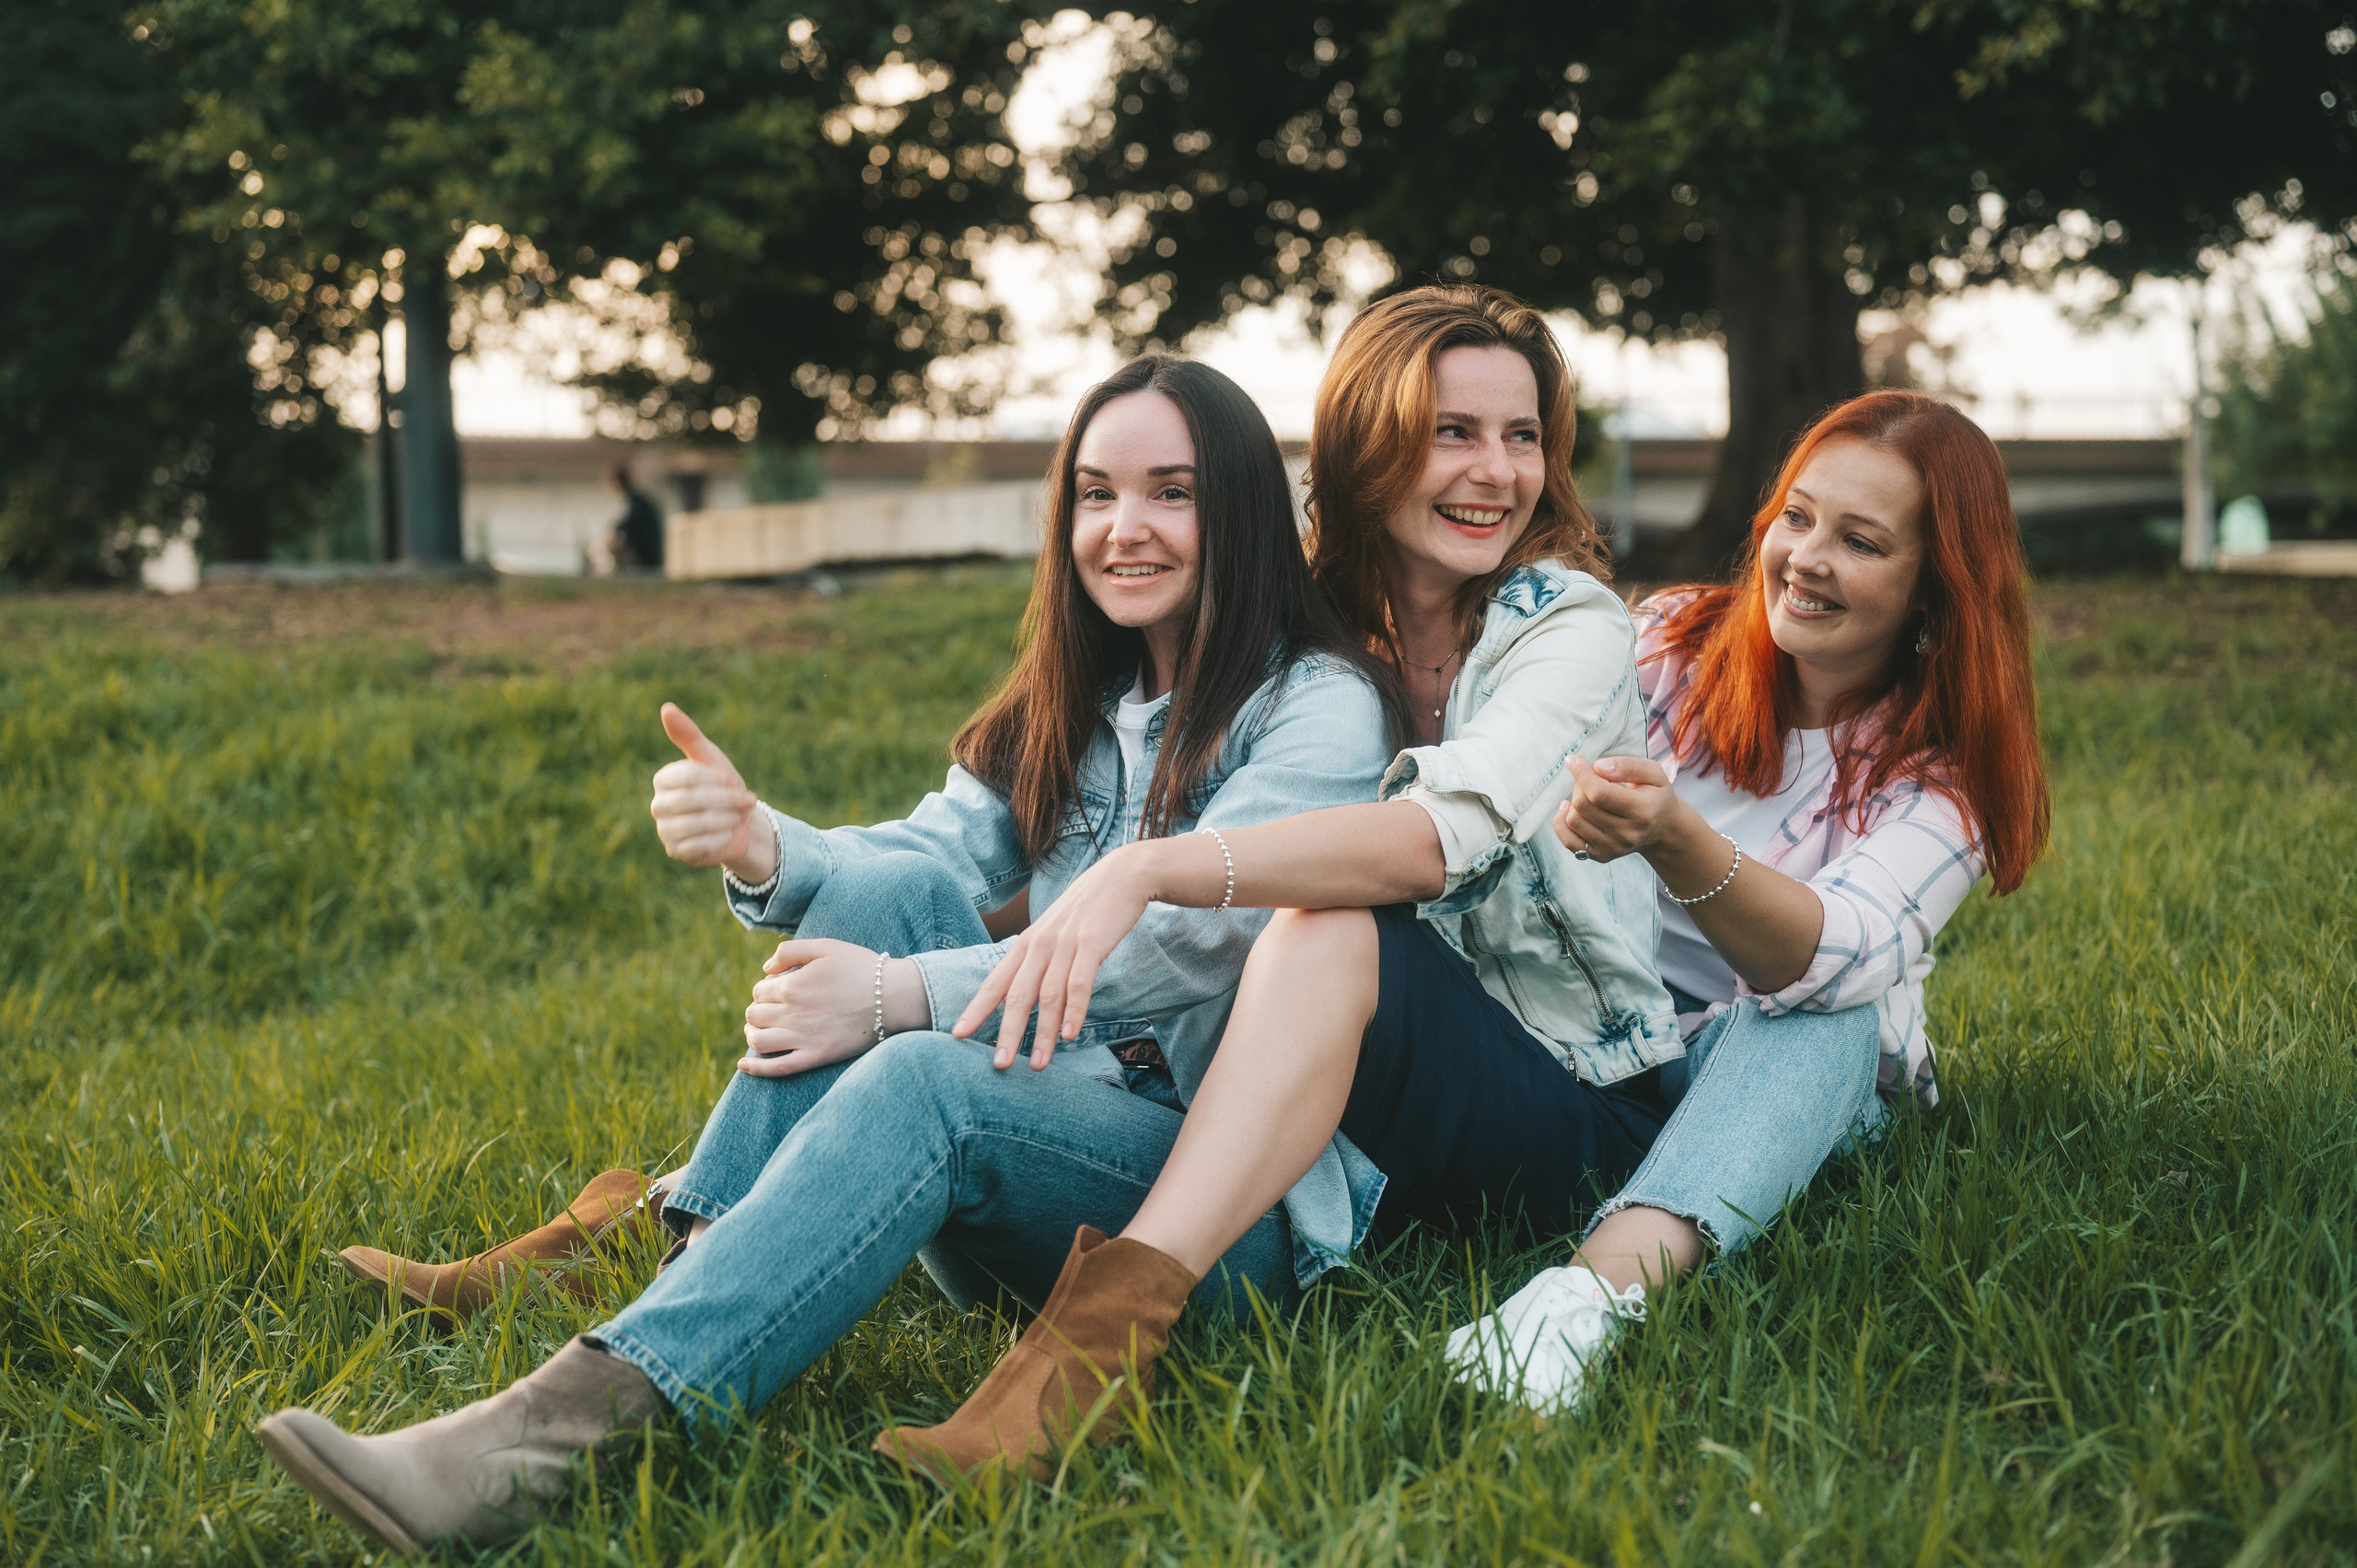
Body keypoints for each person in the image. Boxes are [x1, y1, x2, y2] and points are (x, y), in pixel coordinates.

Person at [253, 353, 1404, 1554]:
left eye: (1172, 492)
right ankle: (688, 1258)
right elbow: (925, 853)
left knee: (920, 1069)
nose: (1126, 528)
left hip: (1215, 1229)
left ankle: (553, 1434)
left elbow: (1187, 942)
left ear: (1241, 509)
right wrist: (764, 845)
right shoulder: (1078, 694)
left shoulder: (1316, 706)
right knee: (890, 884)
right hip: (1045, 1164)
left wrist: (902, 997)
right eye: (1095, 493)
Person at [911, 383, 2049, 1472]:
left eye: (1861, 541)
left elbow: (1830, 953)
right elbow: (1470, 787)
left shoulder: (1938, 788)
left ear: (1934, 587)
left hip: (1753, 1093)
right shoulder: (1660, 646)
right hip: (1565, 1063)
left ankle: (1575, 1308)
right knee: (1326, 923)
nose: (1806, 557)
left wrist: (1676, 840)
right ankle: (1114, 1323)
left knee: (1827, 1018)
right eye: (1796, 517)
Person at [885, 283, 1679, 1482]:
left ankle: (1096, 1348)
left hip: (1569, 1103)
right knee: (909, 908)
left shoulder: (1565, 625)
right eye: (1453, 431)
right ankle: (694, 1210)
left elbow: (1430, 841)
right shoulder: (1313, 631)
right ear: (1367, 445)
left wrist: (1154, 869)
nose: (1496, 471)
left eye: (1522, 436)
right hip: (1358, 1123)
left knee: (1321, 922)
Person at [604, 462, 664, 571]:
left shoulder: (635, 501)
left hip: (648, 551)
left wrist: (616, 529)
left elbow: (630, 522)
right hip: (648, 550)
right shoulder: (635, 499)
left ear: (619, 482)